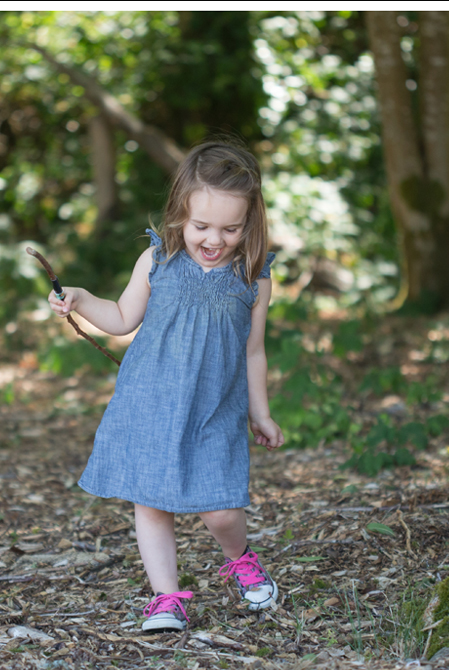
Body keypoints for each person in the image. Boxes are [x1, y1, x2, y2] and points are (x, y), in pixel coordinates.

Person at [48, 139, 285, 632]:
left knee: (220, 509)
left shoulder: (252, 278)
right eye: (201, 226)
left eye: (231, 228)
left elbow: (253, 350)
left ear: (250, 224)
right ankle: (166, 597)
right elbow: (119, 318)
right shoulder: (156, 262)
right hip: (149, 404)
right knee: (151, 503)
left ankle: (239, 558)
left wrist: (259, 412)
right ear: (179, 213)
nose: (214, 239)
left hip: (214, 409)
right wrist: (82, 297)